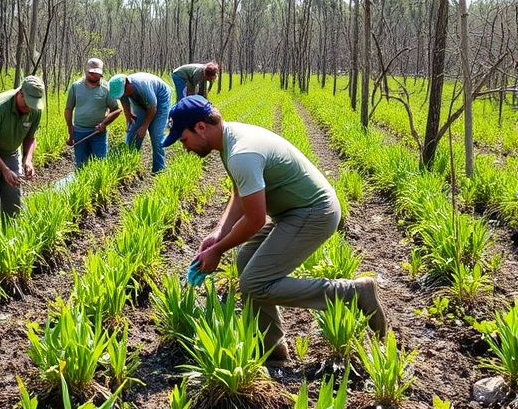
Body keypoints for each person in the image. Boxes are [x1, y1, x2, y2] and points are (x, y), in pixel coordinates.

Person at [162, 95, 388, 360]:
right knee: (246, 261)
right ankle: (272, 347)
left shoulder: (241, 154)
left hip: (314, 212)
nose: (184, 147)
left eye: (184, 139)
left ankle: (353, 293)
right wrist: (219, 233)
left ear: (201, 127)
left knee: (254, 283)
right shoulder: (228, 139)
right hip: (294, 212)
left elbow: (255, 220)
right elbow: (239, 192)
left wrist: (218, 251)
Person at [0, 75, 44, 248]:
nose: (29, 109)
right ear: (20, 93)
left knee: (13, 200)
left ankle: (9, 245)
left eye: (33, 105)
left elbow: (30, 138)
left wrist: (28, 160)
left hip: (10, 151)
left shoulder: (35, 110)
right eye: (27, 103)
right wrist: (4, 169)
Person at [108, 72, 171, 174]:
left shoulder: (142, 86)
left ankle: (159, 169)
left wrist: (144, 126)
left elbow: (152, 108)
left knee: (156, 135)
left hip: (159, 101)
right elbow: (124, 100)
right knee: (133, 131)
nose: (123, 95)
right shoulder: (124, 90)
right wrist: (128, 115)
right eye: (121, 94)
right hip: (139, 101)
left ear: (128, 83)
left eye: (124, 92)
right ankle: (130, 162)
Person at [65, 58, 122, 169]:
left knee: (100, 165)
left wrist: (104, 123)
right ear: (86, 71)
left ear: (101, 73)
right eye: (91, 73)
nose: (93, 76)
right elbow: (68, 109)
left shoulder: (106, 88)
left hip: (98, 133)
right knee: (81, 165)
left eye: (96, 73)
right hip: (79, 131)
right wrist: (70, 130)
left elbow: (117, 109)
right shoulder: (76, 86)